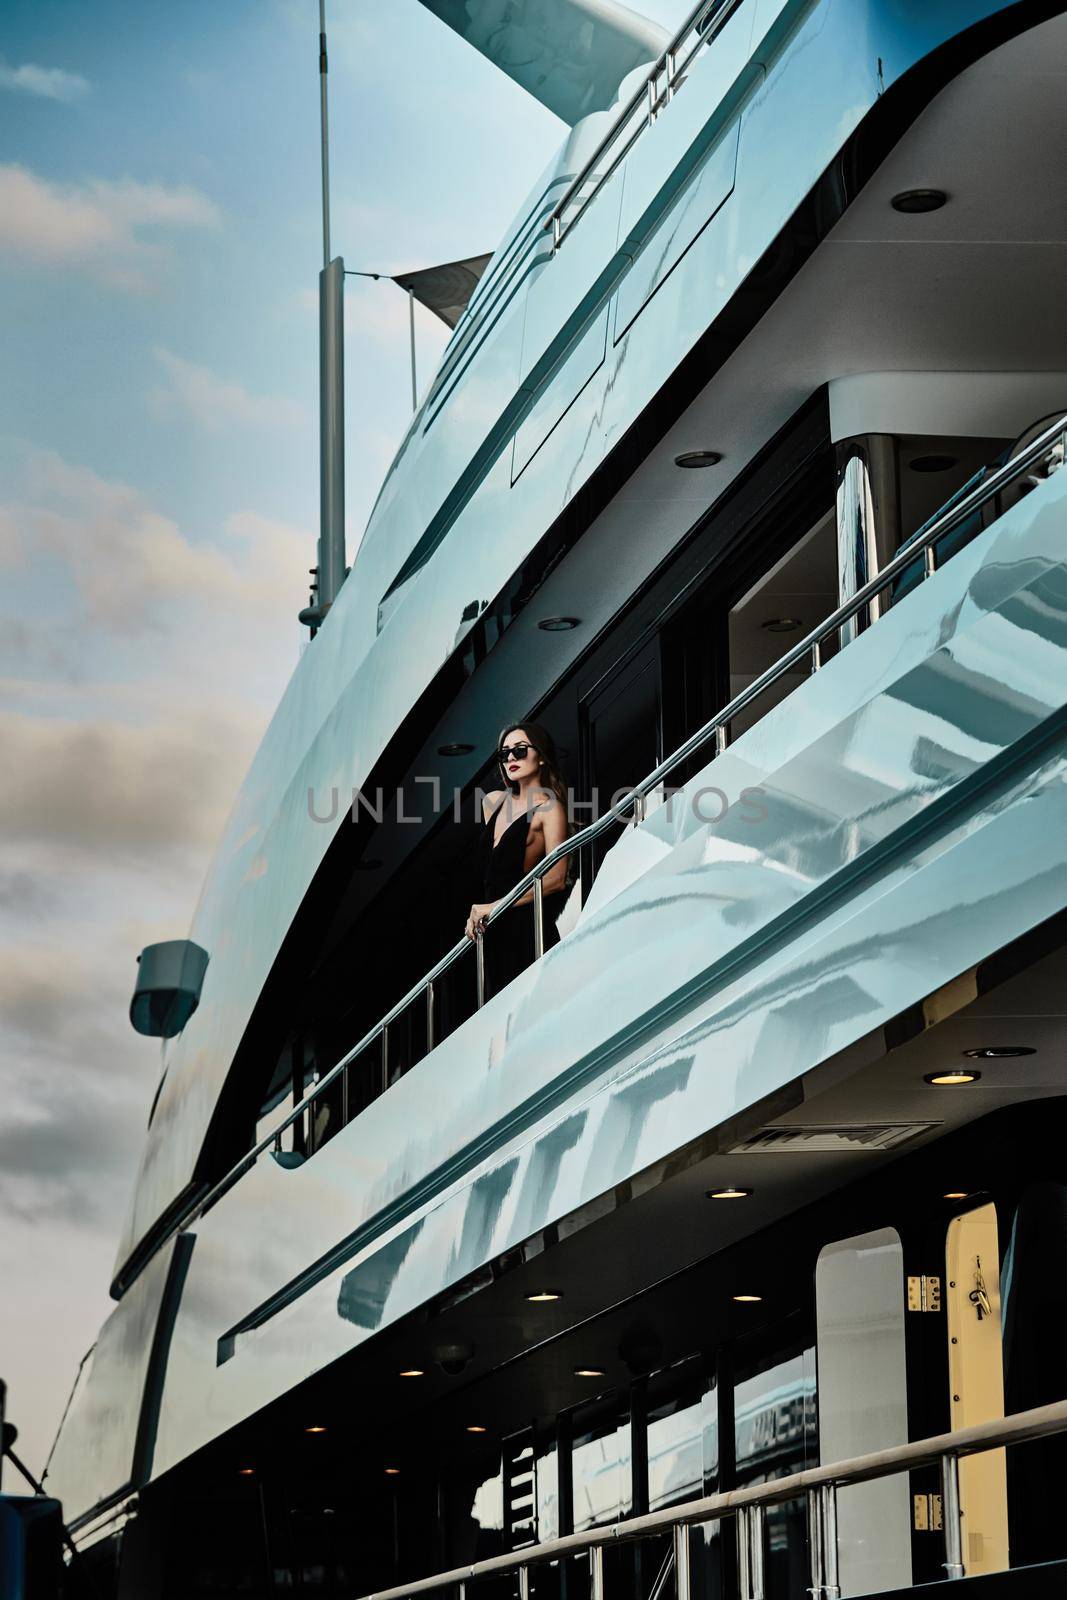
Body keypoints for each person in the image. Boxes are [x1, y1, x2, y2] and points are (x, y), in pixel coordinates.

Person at [464, 721, 570, 997]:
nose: (510, 757)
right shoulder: (493, 802)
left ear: (541, 757)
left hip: (527, 932)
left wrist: (495, 906)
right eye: (505, 753)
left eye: (520, 751)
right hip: (494, 936)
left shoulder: (549, 808)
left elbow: (557, 878)